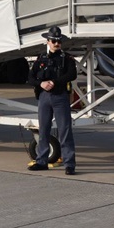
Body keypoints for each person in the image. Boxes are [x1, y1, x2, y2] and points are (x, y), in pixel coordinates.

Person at [27, 25, 78, 175]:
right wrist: (40, 83)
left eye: (59, 41)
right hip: (44, 97)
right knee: (43, 130)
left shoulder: (67, 58)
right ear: (48, 42)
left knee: (65, 131)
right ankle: (42, 161)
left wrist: (55, 82)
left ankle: (69, 164)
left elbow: (72, 74)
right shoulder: (40, 58)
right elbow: (30, 77)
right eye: (54, 41)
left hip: (60, 96)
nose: (57, 43)